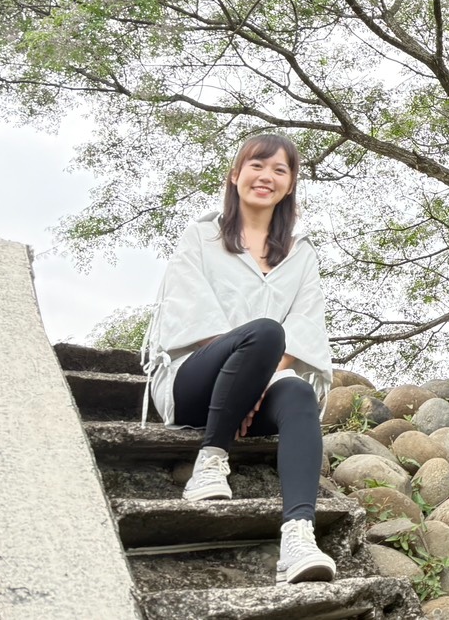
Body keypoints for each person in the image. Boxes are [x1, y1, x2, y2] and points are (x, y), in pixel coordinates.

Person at [139, 133, 337, 585]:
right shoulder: (201, 236)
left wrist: (260, 381)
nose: (266, 176)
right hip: (196, 384)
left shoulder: (302, 253)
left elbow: (306, 324)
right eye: (257, 165)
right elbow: (193, 316)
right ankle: (210, 461)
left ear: (289, 186)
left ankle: (298, 538)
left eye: (279, 170)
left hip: (263, 386)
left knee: (300, 396)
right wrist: (249, 365)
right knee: (264, 332)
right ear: (235, 174)